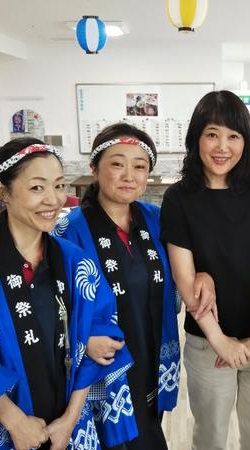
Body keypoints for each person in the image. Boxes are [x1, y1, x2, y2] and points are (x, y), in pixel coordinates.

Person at [0, 138, 138, 450]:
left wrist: (70, 420)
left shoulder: (74, 259)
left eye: (59, 186)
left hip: (67, 428)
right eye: (37, 187)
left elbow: (102, 333)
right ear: (2, 190)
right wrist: (15, 422)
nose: (53, 200)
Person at [160, 90, 250, 450]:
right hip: (206, 342)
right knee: (210, 437)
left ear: (246, 142)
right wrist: (220, 342)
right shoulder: (178, 198)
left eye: (233, 136)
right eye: (212, 134)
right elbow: (185, 278)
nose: (222, 147)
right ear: (196, 137)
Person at [54, 123, 186, 449]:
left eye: (139, 166)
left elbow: (186, 270)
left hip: (152, 354)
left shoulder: (157, 220)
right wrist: (82, 339)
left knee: (149, 427)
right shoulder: (67, 232)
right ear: (94, 168)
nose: (129, 176)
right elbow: (51, 306)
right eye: (117, 164)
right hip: (102, 365)